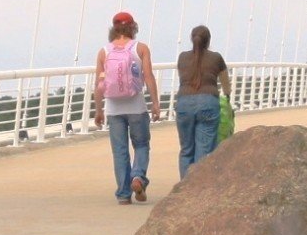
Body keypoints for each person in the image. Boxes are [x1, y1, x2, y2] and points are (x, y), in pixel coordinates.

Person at [92, 11, 160, 204]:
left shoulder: (104, 52)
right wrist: (155, 104)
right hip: (137, 107)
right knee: (141, 145)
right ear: (133, 27)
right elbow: (148, 77)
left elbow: (99, 84)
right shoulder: (141, 49)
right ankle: (138, 177)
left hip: (114, 110)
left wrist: (98, 110)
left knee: (120, 151)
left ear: (114, 29)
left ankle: (123, 194)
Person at [174, 24, 230, 178]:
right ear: (208, 41)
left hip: (184, 103)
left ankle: (184, 189)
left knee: (186, 149)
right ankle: (197, 190)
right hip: (208, 102)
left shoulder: (182, 57)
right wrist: (228, 97)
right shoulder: (216, 58)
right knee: (204, 150)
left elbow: (183, 77)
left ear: (192, 40)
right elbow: (226, 83)